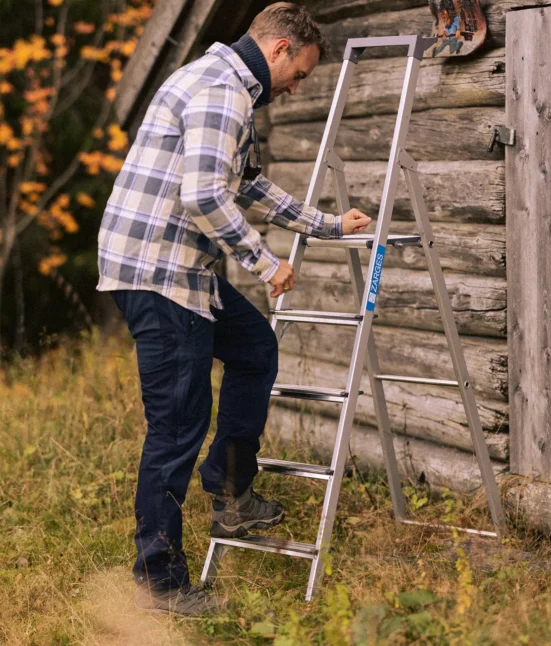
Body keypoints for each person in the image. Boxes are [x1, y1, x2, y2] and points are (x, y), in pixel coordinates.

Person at [97, 2, 371, 616]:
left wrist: (323, 224)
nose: (297, 86)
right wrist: (266, 262)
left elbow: (243, 183)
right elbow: (202, 196)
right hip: (160, 273)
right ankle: (159, 584)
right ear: (278, 51)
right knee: (175, 430)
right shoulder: (222, 90)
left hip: (179, 269)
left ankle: (228, 487)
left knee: (253, 348)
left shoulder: (228, 88)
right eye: (298, 73)